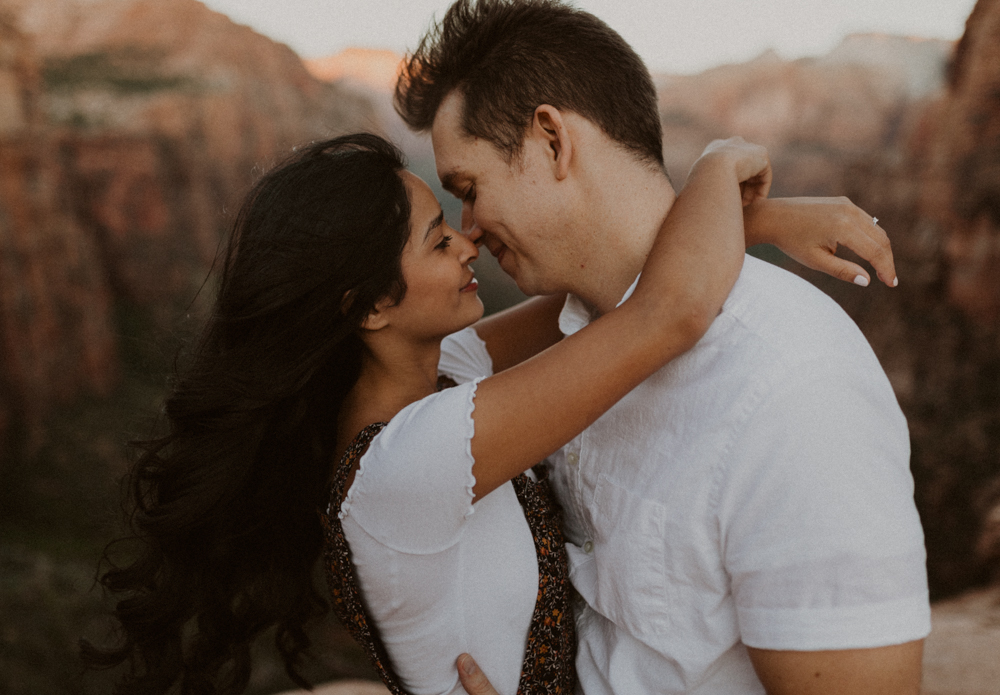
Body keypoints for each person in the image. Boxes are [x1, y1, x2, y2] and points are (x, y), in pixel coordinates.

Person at [81, 129, 892, 695]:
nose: (468, 242)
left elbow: (606, 296)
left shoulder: (434, 382)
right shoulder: (410, 460)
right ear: (366, 305)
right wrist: (720, 163)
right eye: (439, 240)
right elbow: (665, 314)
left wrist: (762, 220)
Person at [392, 1, 931, 694]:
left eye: (469, 189)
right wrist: (748, 215)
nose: (467, 229)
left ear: (552, 140)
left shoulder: (793, 387)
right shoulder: (570, 341)